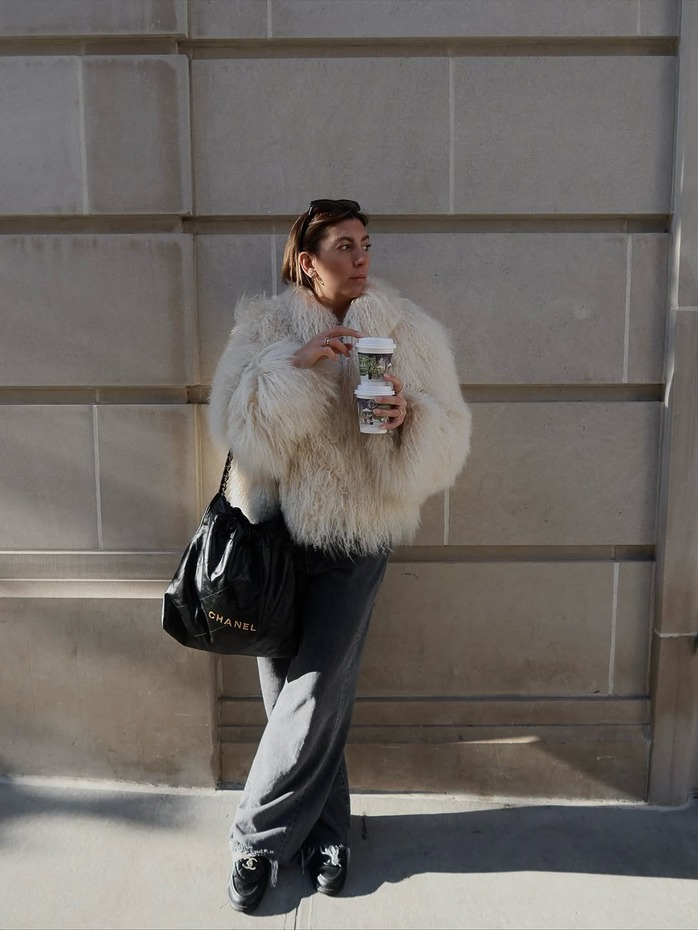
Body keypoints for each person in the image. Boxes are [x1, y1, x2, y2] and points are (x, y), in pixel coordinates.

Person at [208, 198, 472, 913]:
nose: (360, 258)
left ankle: (254, 838)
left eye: (365, 244)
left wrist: (409, 419)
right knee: (295, 701)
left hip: (359, 535)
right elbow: (232, 427)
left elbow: (450, 433)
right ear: (308, 261)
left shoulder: (405, 329)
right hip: (272, 540)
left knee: (315, 689)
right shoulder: (264, 328)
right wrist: (293, 368)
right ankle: (326, 834)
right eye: (344, 246)